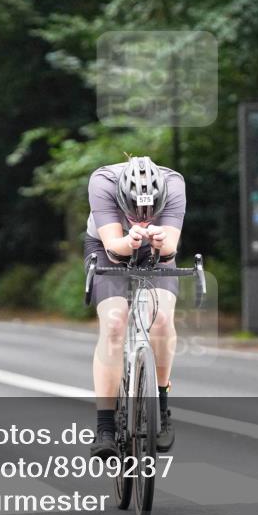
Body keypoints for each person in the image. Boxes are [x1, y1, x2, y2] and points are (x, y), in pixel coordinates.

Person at [85, 156, 186, 459]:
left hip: (155, 251)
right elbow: (113, 247)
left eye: (149, 212)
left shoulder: (174, 185)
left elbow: (170, 248)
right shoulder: (102, 182)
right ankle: (104, 427)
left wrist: (158, 241)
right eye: (135, 212)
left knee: (163, 320)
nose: (142, 217)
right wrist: (129, 241)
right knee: (115, 323)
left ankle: (163, 406)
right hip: (107, 247)